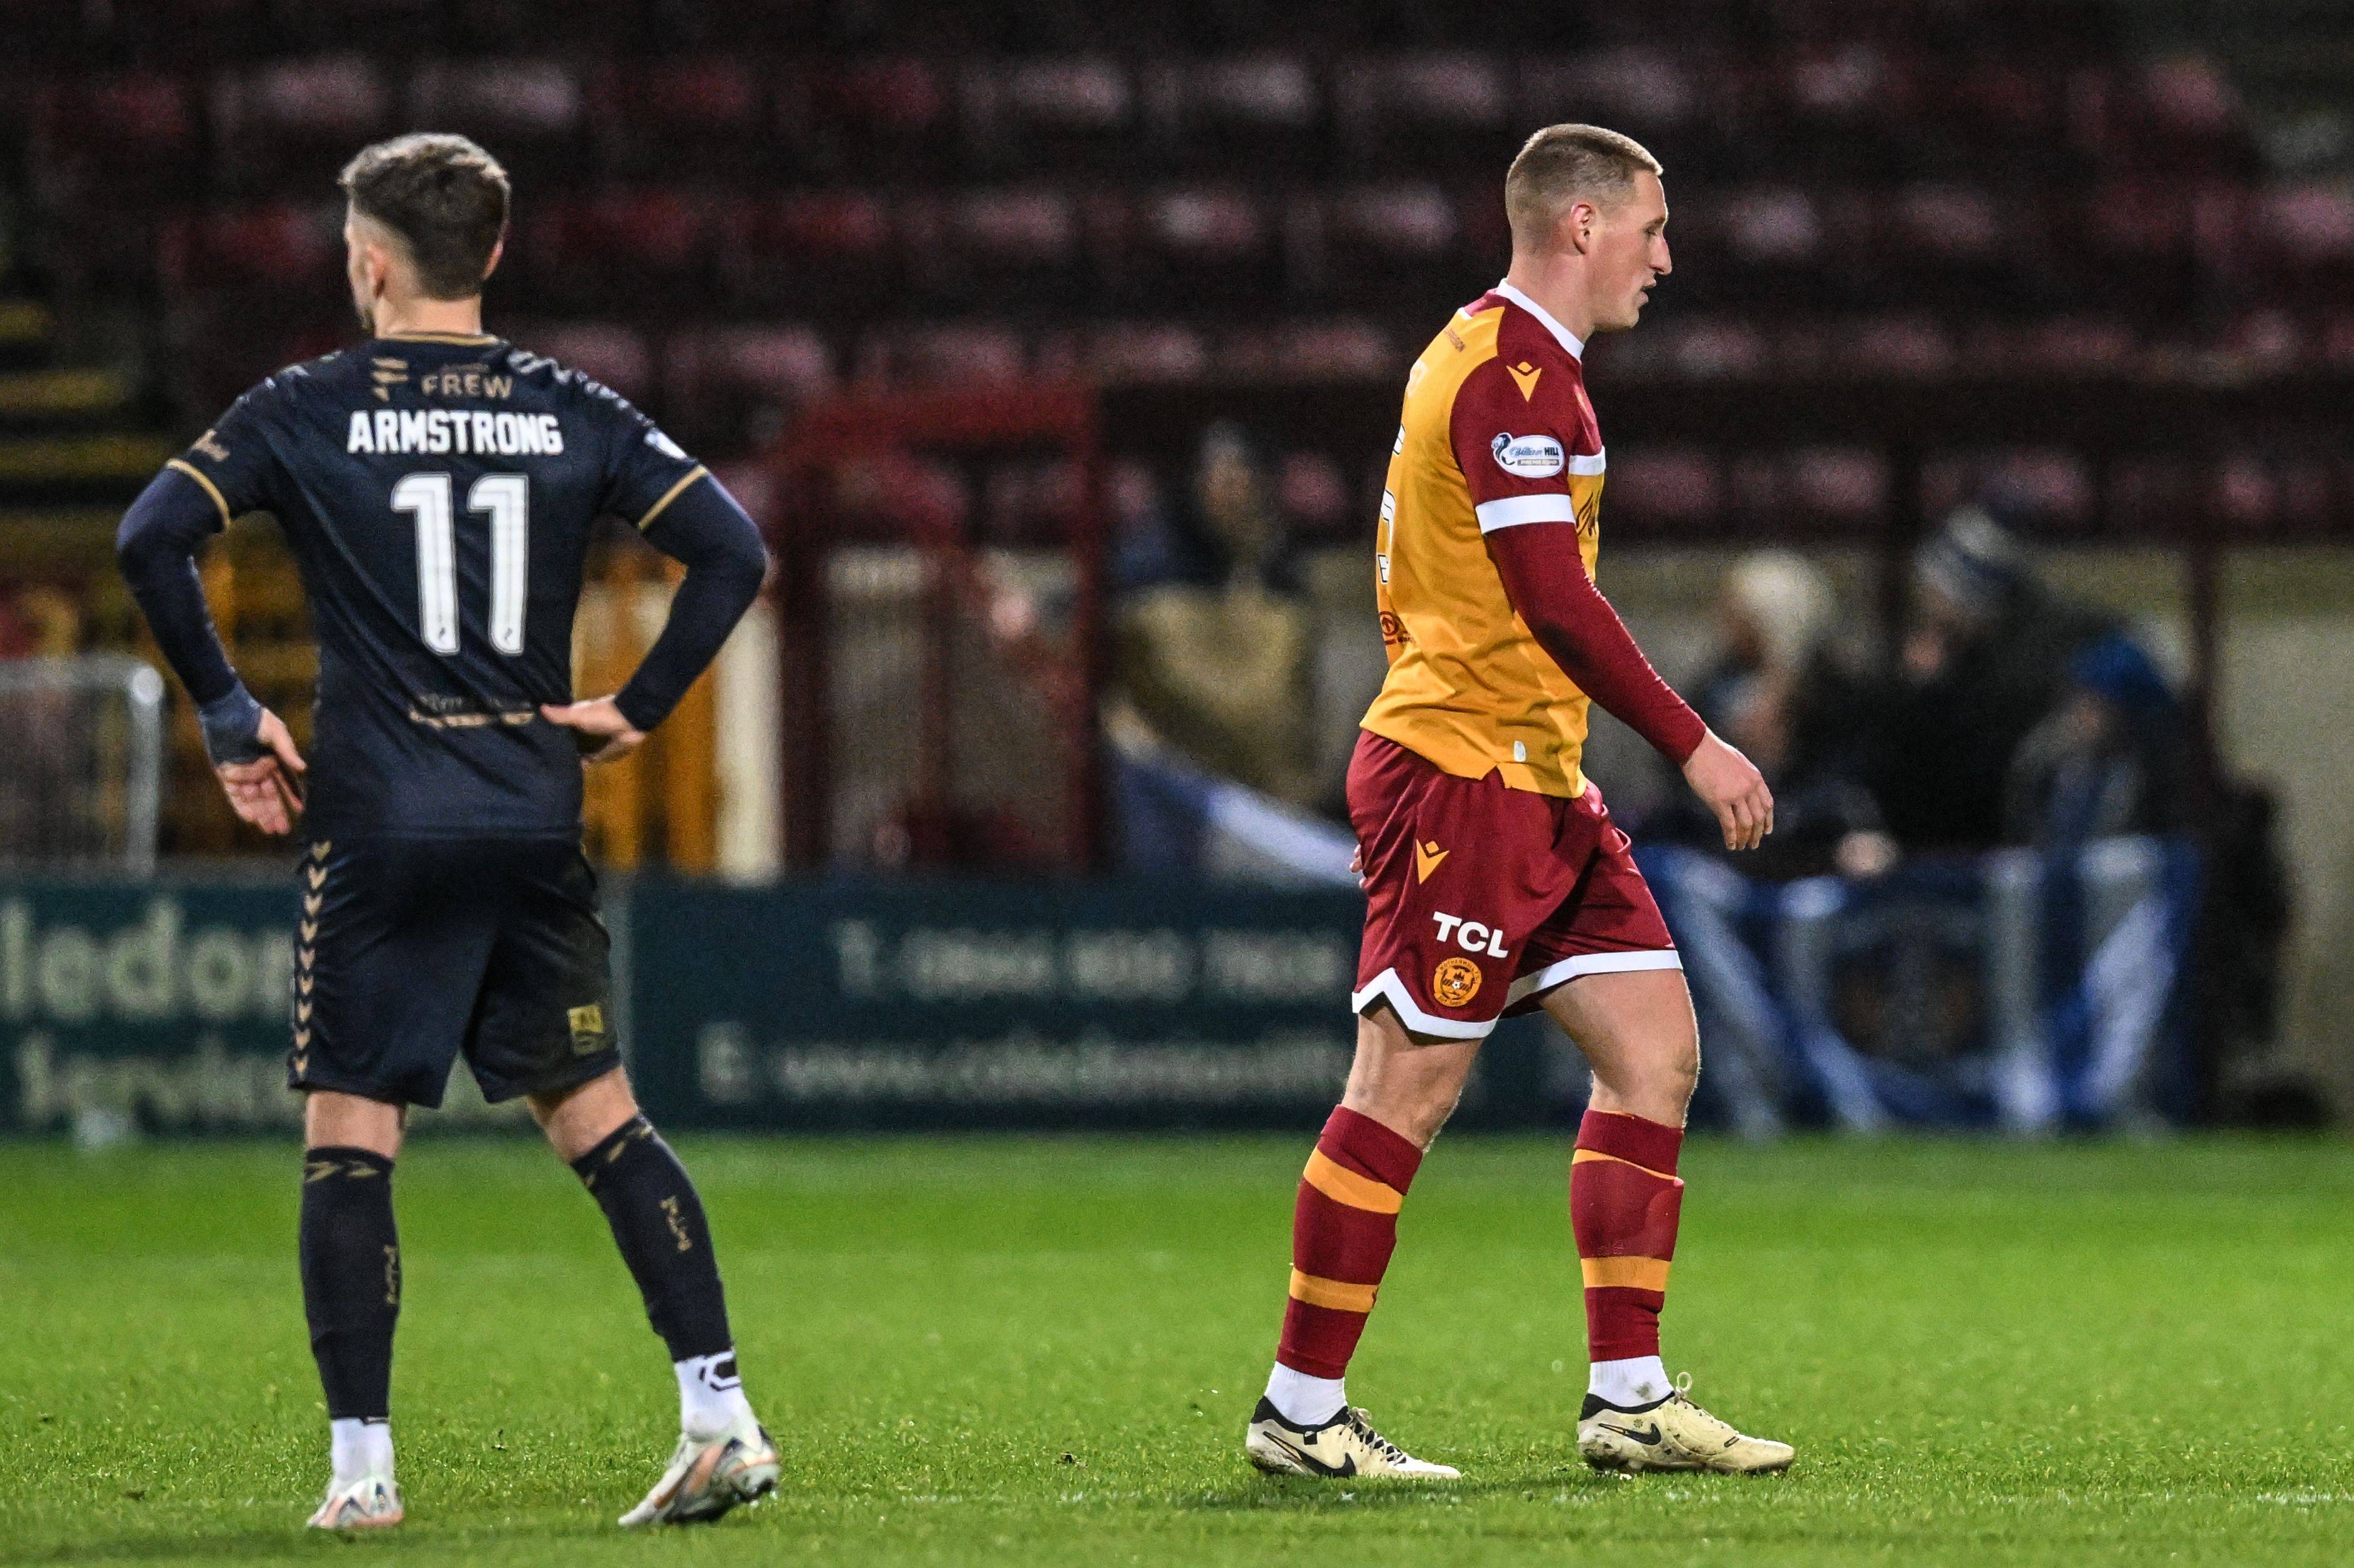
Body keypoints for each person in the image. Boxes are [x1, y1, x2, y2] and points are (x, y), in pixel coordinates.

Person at [114, 134, 776, 1531]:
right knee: (602, 1116)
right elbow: (732, 548)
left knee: (351, 1138)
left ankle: (363, 1476)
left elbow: (151, 534)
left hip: (382, 819)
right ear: (492, 254)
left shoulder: (307, 405)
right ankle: (721, 1414)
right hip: (529, 807)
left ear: (369, 261)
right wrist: (641, 704)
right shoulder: (568, 405)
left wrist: (232, 716)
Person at [1242, 124, 1793, 1480]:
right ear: (1584, 227)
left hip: (1535, 776)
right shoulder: (1510, 375)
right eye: (1654, 228)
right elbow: (1552, 598)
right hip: (1460, 773)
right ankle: (1300, 1411)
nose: (1668, 257)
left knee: (1655, 1049)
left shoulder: (1519, 365)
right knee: (1407, 1085)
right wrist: (1696, 742)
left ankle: (1629, 1396)